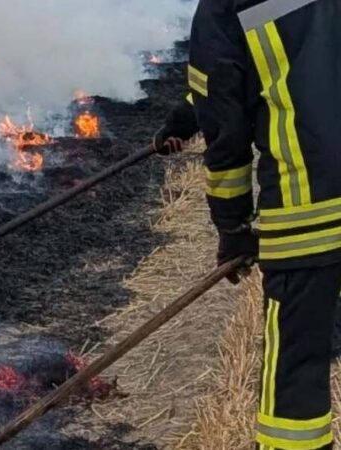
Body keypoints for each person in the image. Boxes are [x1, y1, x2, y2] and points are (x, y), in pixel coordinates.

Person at [156, 0, 341, 448]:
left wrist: (233, 227)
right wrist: (183, 120)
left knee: (296, 377)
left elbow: (225, 114)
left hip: (310, 210)